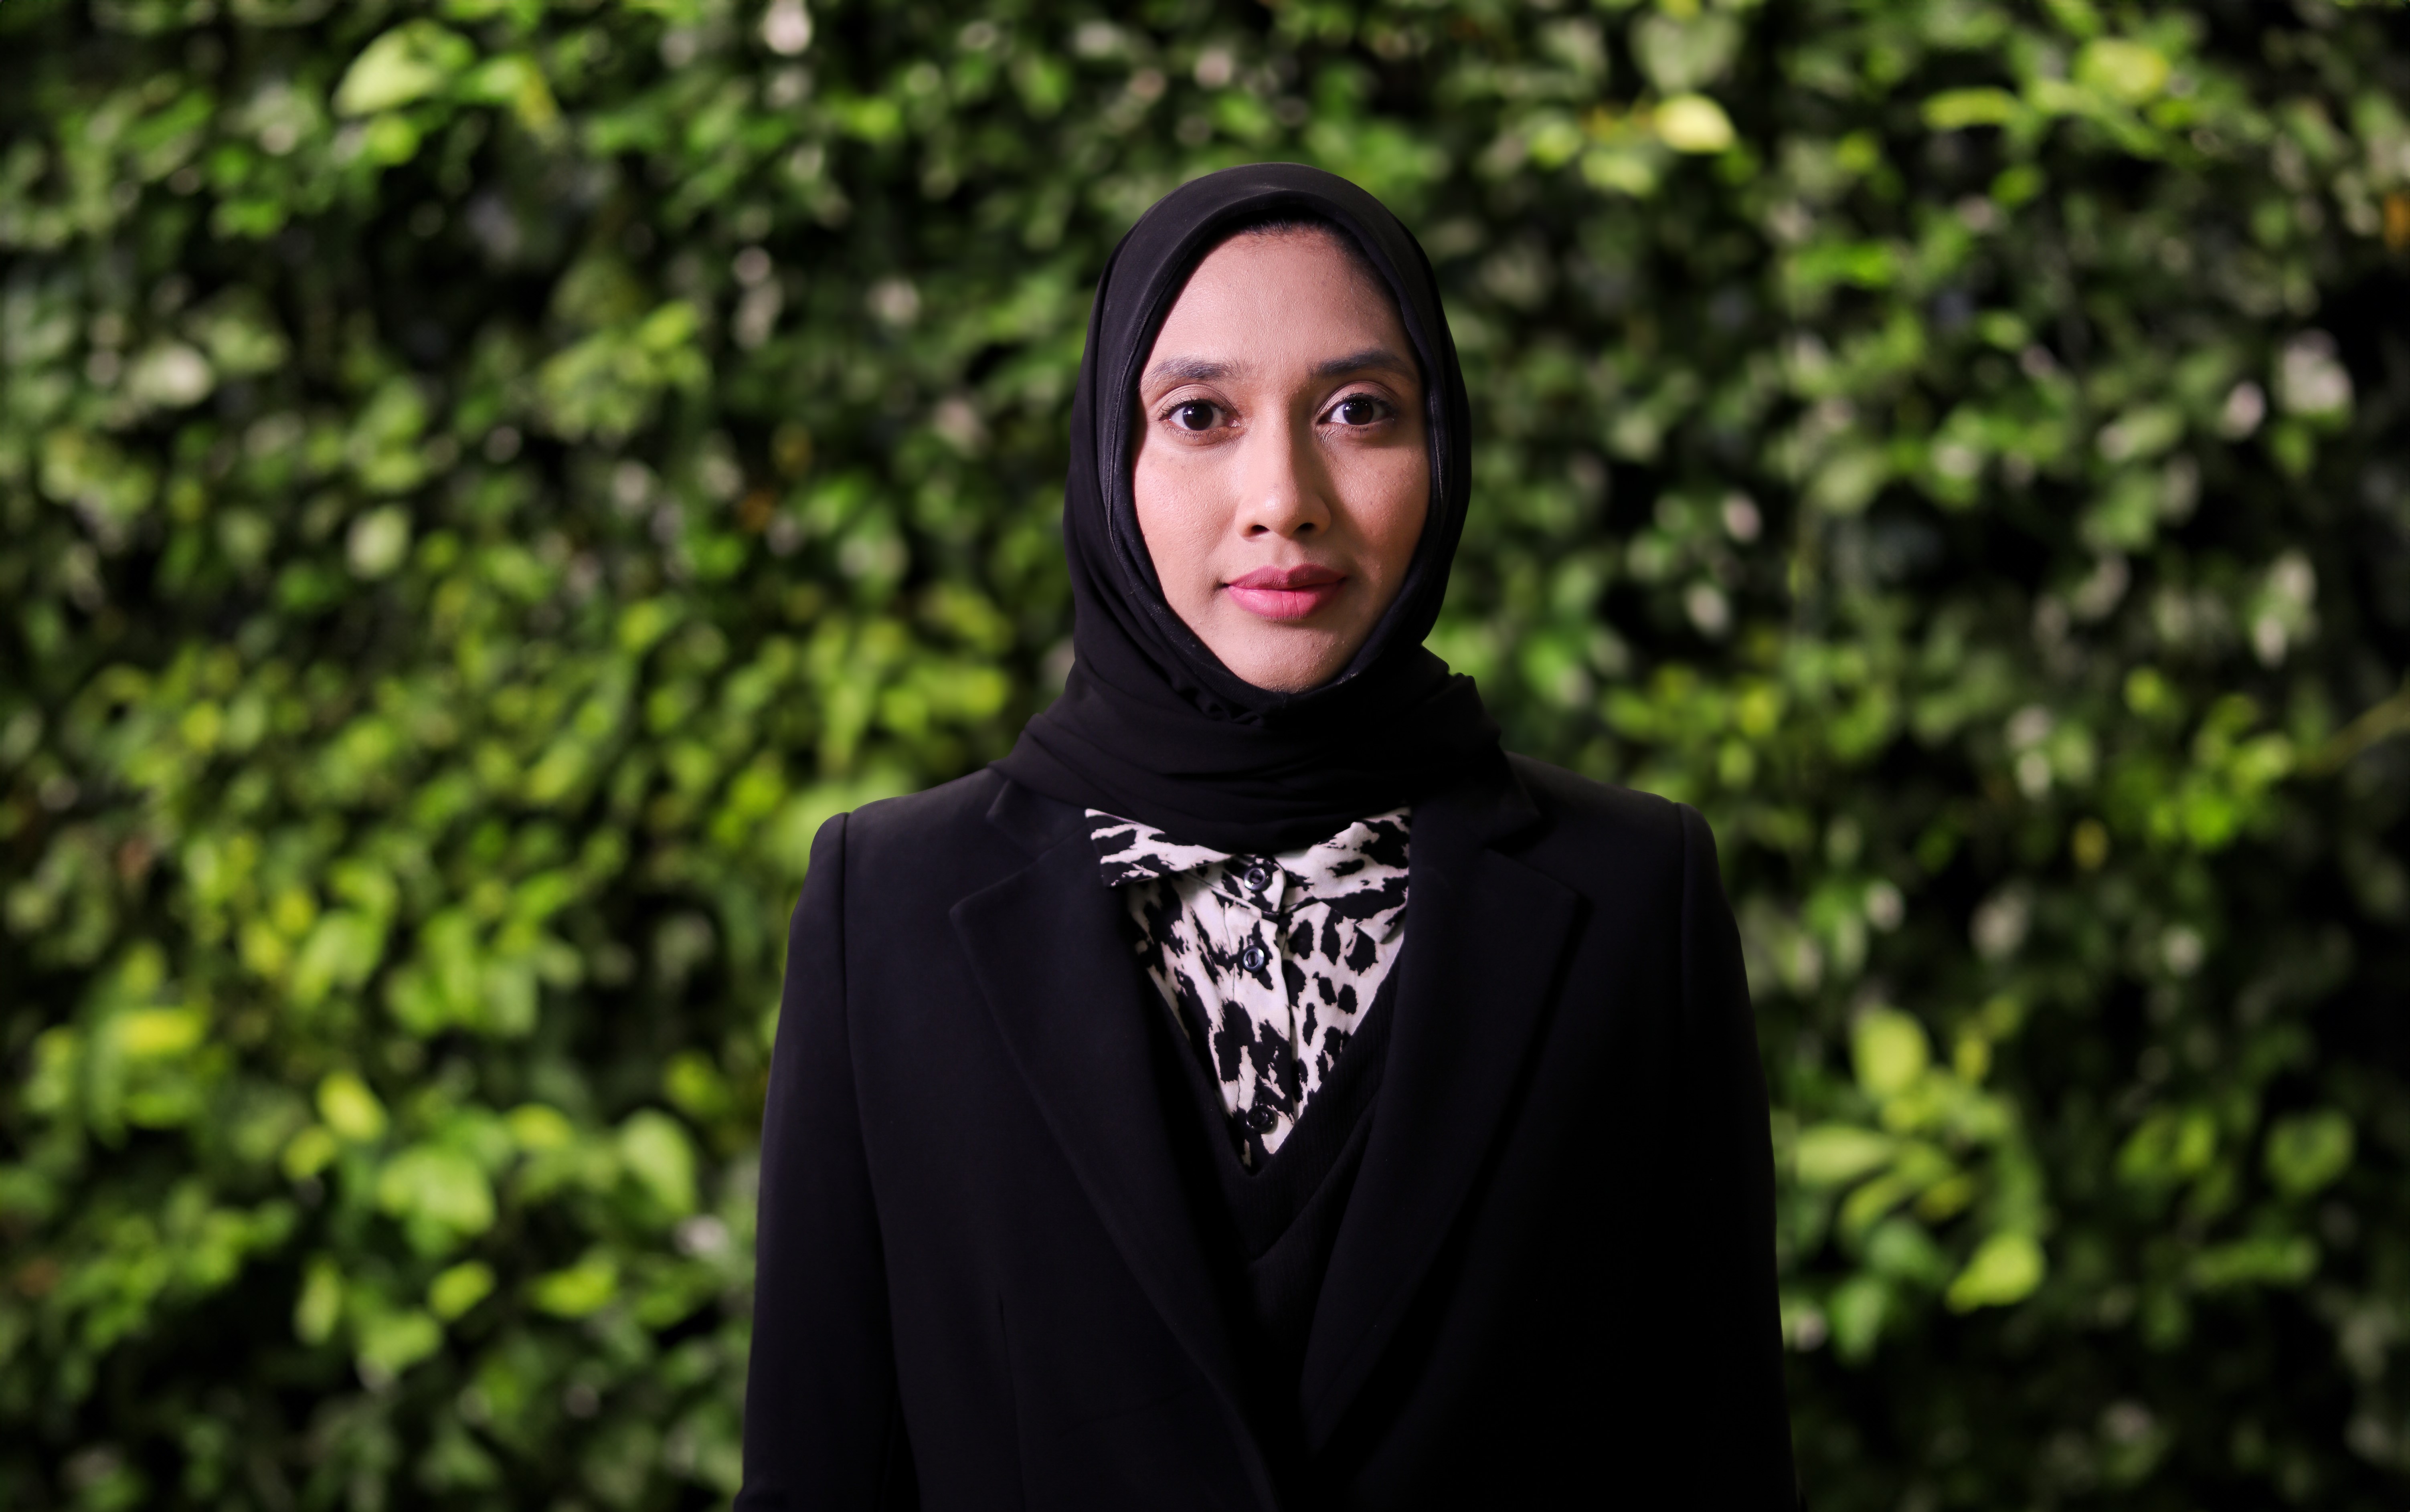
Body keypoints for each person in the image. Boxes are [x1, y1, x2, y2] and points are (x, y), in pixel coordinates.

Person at [736, 163, 1797, 1510]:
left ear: (1442, 446)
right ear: (1109, 461)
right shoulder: (887, 906)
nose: (1282, 495)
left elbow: (1718, 1469)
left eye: (1358, 410)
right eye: (1198, 415)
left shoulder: (1635, 897)